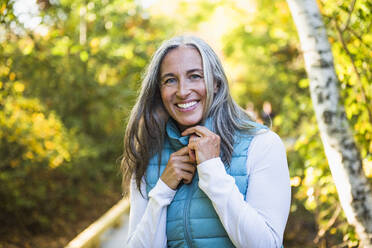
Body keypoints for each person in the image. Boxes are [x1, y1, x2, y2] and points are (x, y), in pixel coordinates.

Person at [121, 35, 291, 248]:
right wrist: (163, 189)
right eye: (170, 80)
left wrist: (212, 170)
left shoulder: (263, 145)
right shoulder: (149, 156)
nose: (182, 91)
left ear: (216, 83)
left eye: (195, 76)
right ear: (159, 91)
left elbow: (267, 245)